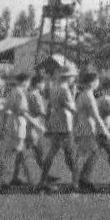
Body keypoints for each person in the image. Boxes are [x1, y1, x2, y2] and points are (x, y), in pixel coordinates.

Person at [35, 60, 79, 192]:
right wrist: (74, 93)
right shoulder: (65, 89)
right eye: (73, 76)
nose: (74, 79)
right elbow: (72, 108)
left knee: (53, 153)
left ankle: (42, 180)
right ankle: (76, 182)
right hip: (65, 124)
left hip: (56, 123)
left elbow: (51, 106)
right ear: (68, 77)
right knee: (70, 155)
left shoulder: (55, 87)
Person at [73, 72, 110, 191]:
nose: (98, 83)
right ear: (92, 83)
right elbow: (96, 115)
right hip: (87, 129)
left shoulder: (82, 95)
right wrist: (105, 130)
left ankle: (82, 180)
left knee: (86, 154)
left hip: (82, 128)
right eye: (97, 81)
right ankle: (79, 181)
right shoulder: (88, 95)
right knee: (88, 154)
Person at [3, 72, 43, 187]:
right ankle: (29, 181)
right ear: (25, 81)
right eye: (29, 81)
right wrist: (38, 124)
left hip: (12, 123)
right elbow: (24, 113)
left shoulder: (12, 92)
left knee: (19, 153)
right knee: (18, 152)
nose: (29, 83)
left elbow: (7, 108)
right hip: (19, 124)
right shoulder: (20, 93)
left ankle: (14, 178)